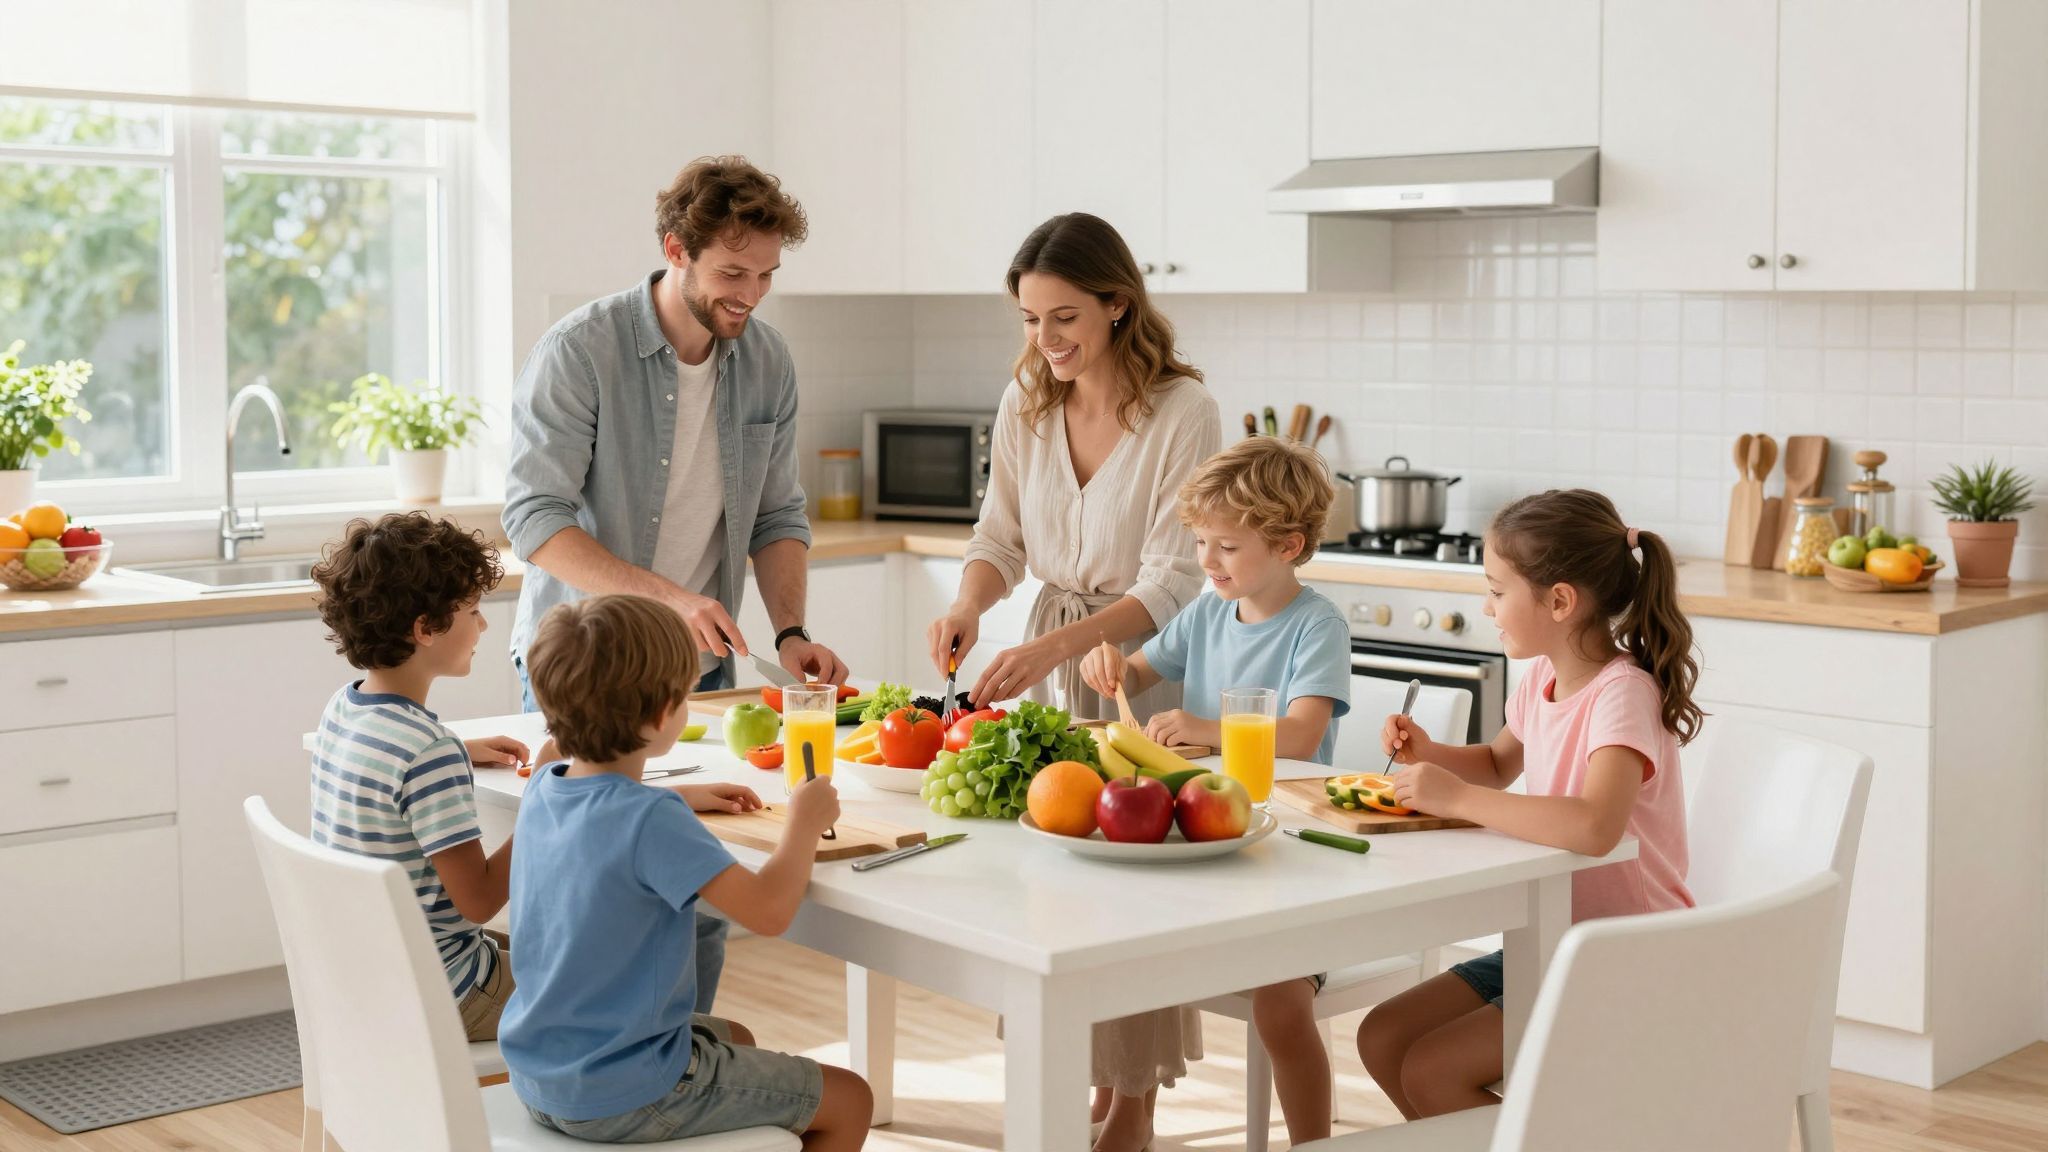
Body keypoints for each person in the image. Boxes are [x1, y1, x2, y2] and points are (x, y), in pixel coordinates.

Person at [503, 154, 848, 1013]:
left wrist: (793, 632)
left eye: (767, 274)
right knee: (599, 901)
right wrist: (670, 600)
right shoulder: (583, 350)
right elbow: (533, 520)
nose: (752, 294)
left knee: (698, 897)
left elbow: (777, 517)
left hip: (700, 671)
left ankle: (676, 1071)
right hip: (587, 663)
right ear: (676, 250)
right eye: (734, 273)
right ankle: (616, 1088)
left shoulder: (765, 361)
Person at [927, 212, 1219, 1152]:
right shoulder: (1027, 404)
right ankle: (1087, 1070)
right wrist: (973, 605)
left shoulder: (1183, 412)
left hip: (1141, 669)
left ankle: (1135, 1100)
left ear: (1117, 305)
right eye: (1027, 320)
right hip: (1056, 654)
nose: (1044, 342)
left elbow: (1173, 581)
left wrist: (1055, 651)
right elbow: (999, 542)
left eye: (1062, 319)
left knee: (1136, 887)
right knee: (1049, 876)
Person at [1359, 489, 1700, 1119]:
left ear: (1560, 601)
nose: (1485, 606)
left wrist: (1457, 796)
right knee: (1382, 1039)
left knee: (1433, 1071)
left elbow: (1597, 827)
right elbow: (1494, 764)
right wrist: (1431, 754)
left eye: (1496, 590)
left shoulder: (1621, 696)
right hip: (1553, 936)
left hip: (1626, 956)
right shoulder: (1542, 676)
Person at [500, 594, 872, 1149]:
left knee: (737, 1038)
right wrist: (803, 821)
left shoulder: (545, 786)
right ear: (659, 716)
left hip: (541, 1076)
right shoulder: (653, 819)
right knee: (850, 1100)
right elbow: (770, 911)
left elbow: (604, 808)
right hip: (629, 1089)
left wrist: (685, 793)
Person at [1079, 436, 1351, 1145]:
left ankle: (1310, 1143)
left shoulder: (1315, 625)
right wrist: (1110, 664)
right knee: (1111, 939)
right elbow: (1136, 673)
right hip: (1205, 839)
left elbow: (1298, 733)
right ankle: (1125, 1108)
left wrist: (1202, 724)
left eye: (1226, 547)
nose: (1206, 561)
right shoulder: (1205, 613)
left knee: (1281, 1007)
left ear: (1289, 545)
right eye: (1201, 542)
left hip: (1290, 853)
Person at [306, 512, 531, 1041]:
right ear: (425, 628)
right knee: (607, 981)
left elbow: (393, 763)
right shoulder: (428, 751)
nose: (483, 626)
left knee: (559, 958)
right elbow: (477, 903)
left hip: (369, 978)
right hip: (445, 991)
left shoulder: (345, 710)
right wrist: (547, 799)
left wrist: (457, 749)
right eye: (473, 612)